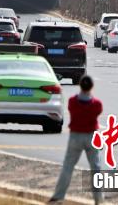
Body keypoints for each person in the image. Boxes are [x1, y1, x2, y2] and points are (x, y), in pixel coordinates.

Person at [48, 75, 104, 204]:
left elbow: (71, 110)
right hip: (91, 136)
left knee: (68, 166)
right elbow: (97, 112)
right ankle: (98, 199)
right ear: (92, 87)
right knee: (95, 167)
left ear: (80, 85)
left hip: (76, 136)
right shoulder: (97, 104)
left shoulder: (73, 101)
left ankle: (58, 195)